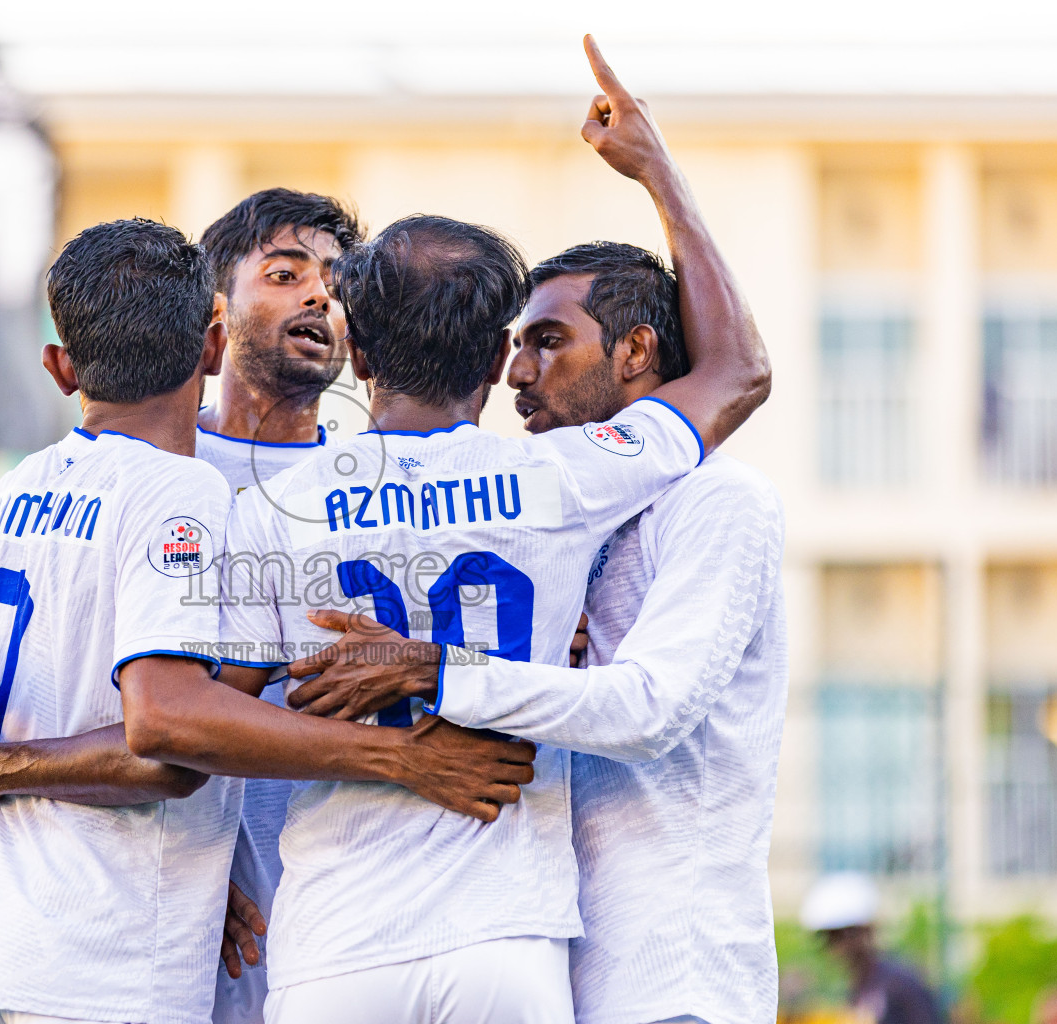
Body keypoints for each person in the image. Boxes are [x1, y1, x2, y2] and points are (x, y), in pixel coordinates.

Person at [211, 37, 770, 1022]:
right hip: (506, 940)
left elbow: (210, 722)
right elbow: (736, 375)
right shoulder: (560, 476)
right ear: (494, 354)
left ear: (359, 347)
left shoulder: (270, 507)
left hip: (334, 942)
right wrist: (657, 171)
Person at [0, 217, 534, 1024]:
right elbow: (169, 731)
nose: (320, 292)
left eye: (336, 278)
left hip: (32, 941)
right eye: (287, 272)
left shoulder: (24, 485)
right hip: (121, 945)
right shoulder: (184, 486)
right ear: (215, 331)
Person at [801, 873, 945, 1024]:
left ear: (867, 930)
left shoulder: (900, 984)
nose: (839, 946)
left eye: (846, 934)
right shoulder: (858, 987)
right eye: (831, 937)